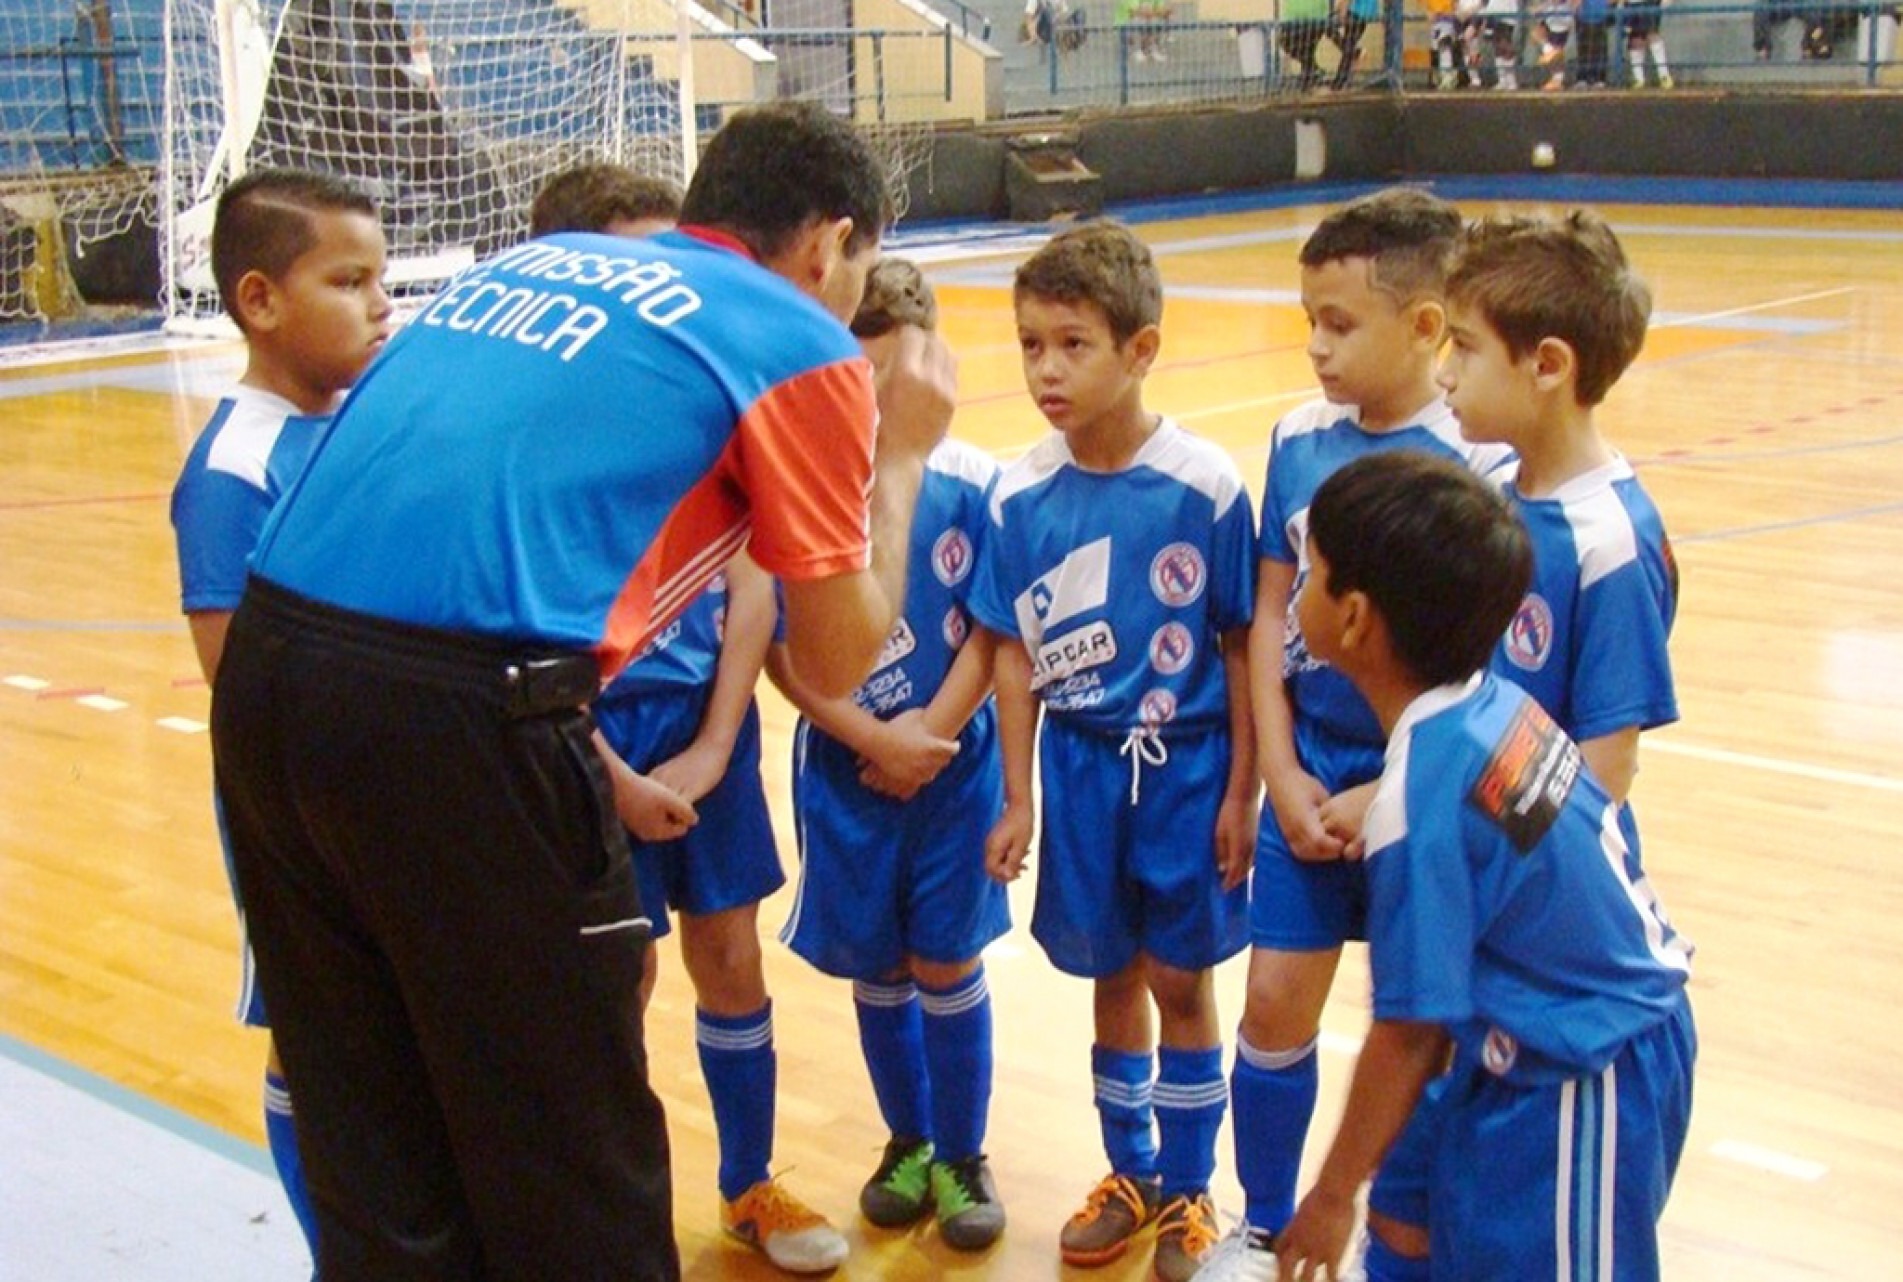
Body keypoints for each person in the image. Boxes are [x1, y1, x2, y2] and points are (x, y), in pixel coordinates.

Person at [209, 100, 957, 1282]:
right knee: (570, 1160)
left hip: (269, 679)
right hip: (460, 718)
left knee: (374, 1136)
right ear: (830, 244)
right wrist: (902, 452)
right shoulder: (801, 338)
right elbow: (833, 662)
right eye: (855, 269)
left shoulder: (544, 260)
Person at [528, 164, 849, 1275]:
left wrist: (718, 740)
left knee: (730, 955)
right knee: (617, 981)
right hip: (585, 744)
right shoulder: (548, 440)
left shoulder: (710, 406)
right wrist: (607, 767)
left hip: (709, 734)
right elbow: (531, 627)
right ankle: (617, 1205)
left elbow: (761, 569)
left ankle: (748, 1179)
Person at [1272, 449, 1696, 1282]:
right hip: (1504, 1044)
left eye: (1309, 574)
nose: (1293, 593)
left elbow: (1406, 1034)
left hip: (1587, 1067)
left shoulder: (1418, 804)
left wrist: (1326, 1197)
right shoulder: (1490, 705)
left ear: (1354, 620)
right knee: (1405, 1213)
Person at [1190, 187, 1510, 1282]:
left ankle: (1403, 1229)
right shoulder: (1296, 438)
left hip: (1420, 790)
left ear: (1426, 328)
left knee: (1419, 1019)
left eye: (1340, 323)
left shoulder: (1482, 460)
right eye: (1307, 322)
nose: (1317, 347)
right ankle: (1265, 1222)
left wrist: (1389, 797)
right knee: (1274, 1000)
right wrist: (1276, 769)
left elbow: (1494, 667)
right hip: (1308, 772)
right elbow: (1274, 610)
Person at [971, 221, 1258, 1282]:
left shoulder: (1206, 486)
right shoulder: (1016, 494)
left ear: (1141, 350)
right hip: (1082, 768)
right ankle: (1130, 1170)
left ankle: (1190, 1189)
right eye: (1031, 343)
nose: (1046, 368)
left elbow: (1239, 646)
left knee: (1181, 976)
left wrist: (1242, 790)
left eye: (1073, 344)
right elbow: (1010, 656)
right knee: (1110, 971)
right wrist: (1017, 795)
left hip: (1185, 770)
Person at [169, 166, 392, 1278]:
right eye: (349, 281)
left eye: (382, 279)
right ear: (261, 300)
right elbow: (243, 690)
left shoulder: (371, 423)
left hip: (399, 794)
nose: (380, 303)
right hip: (298, 815)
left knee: (390, 1031)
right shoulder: (231, 470)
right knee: (314, 1041)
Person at [769, 257, 1011, 1254]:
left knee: (946, 956)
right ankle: (905, 1140)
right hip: (847, 762)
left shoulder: (978, 483)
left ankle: (962, 1153)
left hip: (954, 766)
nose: (866, 408)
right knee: (878, 963)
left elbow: (996, 629)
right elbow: (778, 646)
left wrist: (931, 736)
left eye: (885, 382)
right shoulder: (793, 492)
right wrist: (869, 735)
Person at [1438, 209, 1678, 869]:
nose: (1443, 374)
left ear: (1546, 366)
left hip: (1549, 891)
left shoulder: (1608, 543)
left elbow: (1605, 769)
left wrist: (1500, 869)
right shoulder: (1488, 489)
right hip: (1476, 853)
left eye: (1462, 346)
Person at [1616, 0, 1673, 86]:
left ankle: (1664, 75)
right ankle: (1638, 78)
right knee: (1635, 38)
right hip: (1630, 4)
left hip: (1650, 3)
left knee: (1652, 34)